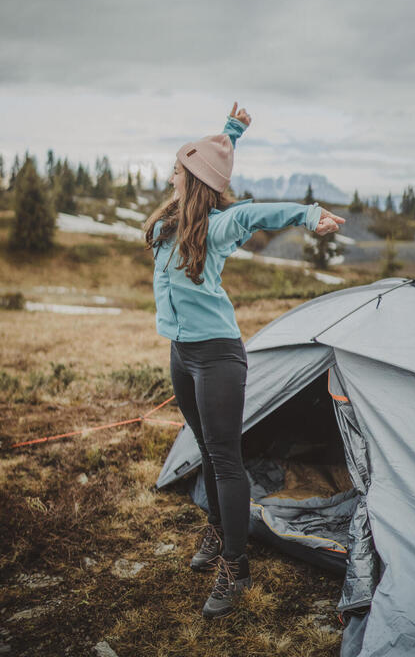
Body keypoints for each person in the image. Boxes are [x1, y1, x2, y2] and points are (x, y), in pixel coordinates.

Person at [143, 102, 345, 619]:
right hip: (182, 356)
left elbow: (259, 213)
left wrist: (307, 215)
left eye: (178, 170)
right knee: (206, 452)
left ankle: (236, 566)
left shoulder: (222, 225)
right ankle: (217, 530)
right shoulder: (171, 224)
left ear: (194, 180)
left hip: (217, 358)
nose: (171, 175)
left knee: (226, 458)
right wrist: (230, 132)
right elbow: (216, 159)